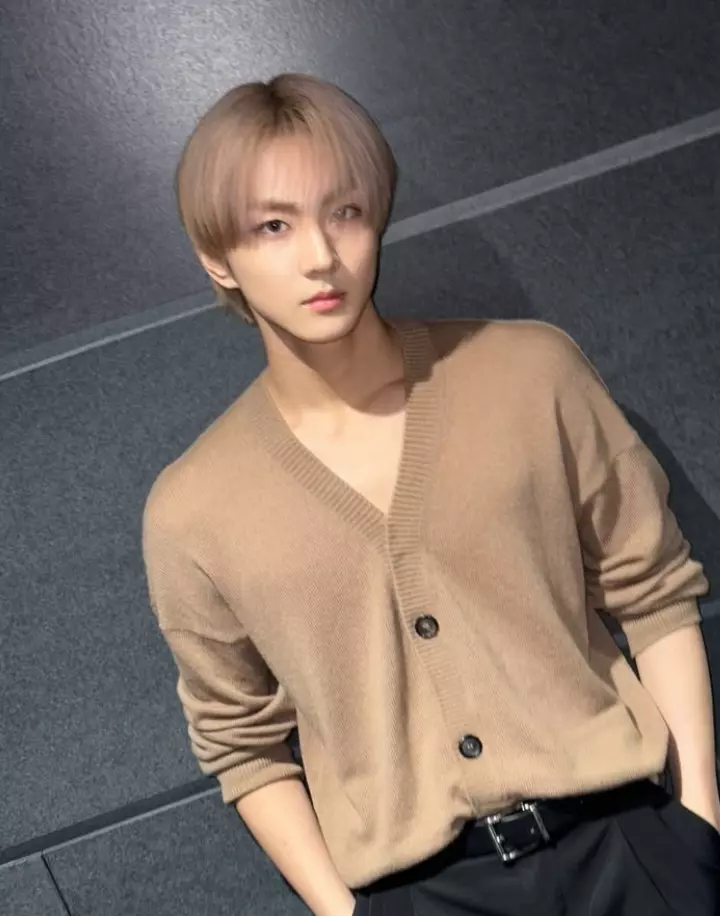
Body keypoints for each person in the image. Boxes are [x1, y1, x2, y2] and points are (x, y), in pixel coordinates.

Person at [141, 73, 720, 916]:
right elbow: (242, 744)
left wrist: (699, 824)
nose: (321, 255)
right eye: (274, 225)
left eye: (345, 212)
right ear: (216, 256)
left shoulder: (529, 374)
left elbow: (653, 589)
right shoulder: (193, 510)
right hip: (422, 894)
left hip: (627, 848)